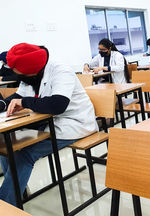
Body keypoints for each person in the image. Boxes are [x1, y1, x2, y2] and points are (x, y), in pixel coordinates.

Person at [0, 43, 98, 206]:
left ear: (31, 71)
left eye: (20, 74)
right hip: (47, 121)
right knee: (7, 143)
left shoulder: (61, 70)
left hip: (73, 123)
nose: (18, 77)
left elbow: (58, 104)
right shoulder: (31, 74)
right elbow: (19, 94)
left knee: (24, 153)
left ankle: (6, 204)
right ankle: (17, 191)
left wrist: (25, 102)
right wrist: (3, 105)